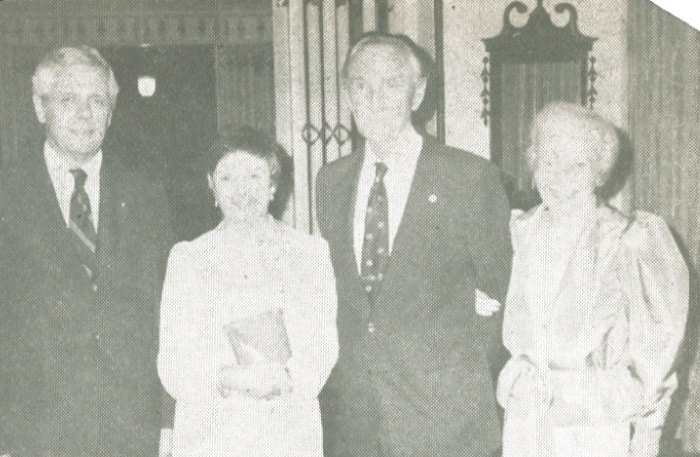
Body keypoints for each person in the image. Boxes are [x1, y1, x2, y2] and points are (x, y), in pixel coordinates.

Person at [315, 32, 512, 457]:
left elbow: (500, 293)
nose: (374, 98)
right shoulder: (331, 182)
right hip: (355, 421)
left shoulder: (469, 178)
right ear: (348, 95)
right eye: (360, 86)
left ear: (418, 93)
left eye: (390, 84)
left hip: (445, 420)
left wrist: (455, 379)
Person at [0, 46, 173, 456]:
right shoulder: (7, 193)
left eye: (97, 101)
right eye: (68, 100)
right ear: (41, 108)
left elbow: (168, 312)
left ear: (111, 112)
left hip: (132, 430)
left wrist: (169, 419)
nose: (84, 114)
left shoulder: (146, 192)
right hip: (32, 431)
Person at [497, 101, 689, 457]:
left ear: (600, 172)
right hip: (525, 424)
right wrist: (510, 381)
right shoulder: (518, 232)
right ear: (534, 161)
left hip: (594, 431)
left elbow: (652, 371)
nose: (560, 178)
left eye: (578, 165)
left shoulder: (632, 240)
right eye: (550, 161)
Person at [157, 128, 338, 457]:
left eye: (254, 176)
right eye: (227, 178)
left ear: (272, 185)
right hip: (210, 435)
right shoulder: (187, 258)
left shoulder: (310, 253)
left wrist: (281, 378)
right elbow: (171, 363)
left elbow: (323, 350)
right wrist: (225, 379)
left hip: (285, 433)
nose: (241, 190)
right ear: (212, 185)